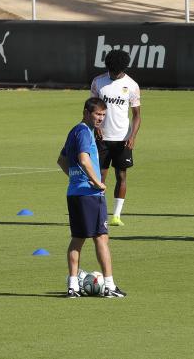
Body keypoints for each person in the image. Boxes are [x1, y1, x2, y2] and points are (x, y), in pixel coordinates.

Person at [57, 97, 126, 298]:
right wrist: (98, 183)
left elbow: (61, 160)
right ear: (86, 112)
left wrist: (75, 179)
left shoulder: (74, 131)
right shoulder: (85, 132)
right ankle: (110, 286)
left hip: (75, 192)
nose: (100, 118)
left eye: (103, 115)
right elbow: (84, 160)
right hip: (90, 194)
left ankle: (73, 286)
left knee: (77, 240)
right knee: (101, 238)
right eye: (97, 114)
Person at [90, 49, 141, 227]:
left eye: (116, 71)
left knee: (121, 175)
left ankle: (116, 215)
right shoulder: (98, 82)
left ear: (123, 69)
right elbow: (92, 109)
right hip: (102, 138)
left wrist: (133, 136)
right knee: (99, 177)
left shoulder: (132, 85)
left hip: (123, 139)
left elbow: (136, 115)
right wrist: (95, 127)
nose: (113, 74)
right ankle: (99, 214)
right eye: (111, 71)